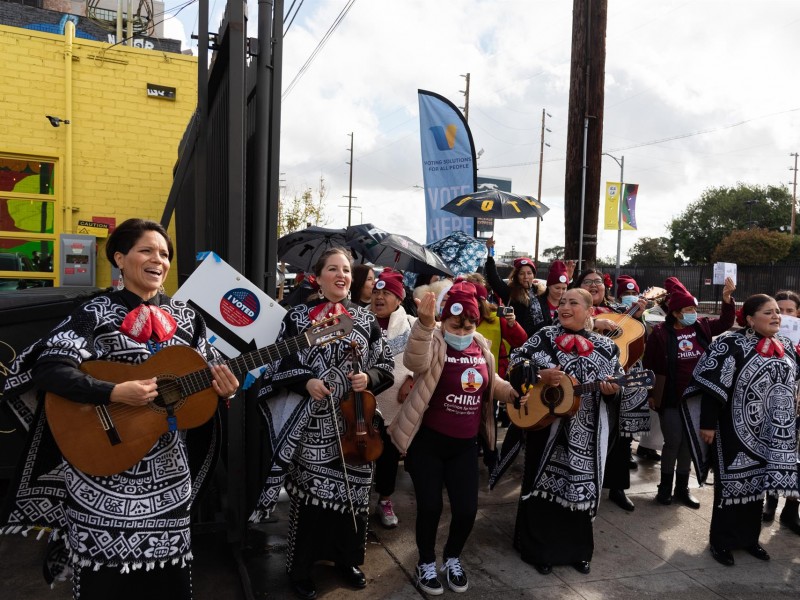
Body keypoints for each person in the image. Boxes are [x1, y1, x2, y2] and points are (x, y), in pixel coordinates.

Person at [0, 219, 240, 600]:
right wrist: (113, 392)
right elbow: (49, 367)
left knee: (168, 585)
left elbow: (205, 379)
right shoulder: (94, 312)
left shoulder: (188, 319)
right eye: (146, 250)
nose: (157, 259)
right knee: (104, 587)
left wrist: (225, 389)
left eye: (164, 253)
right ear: (120, 258)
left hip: (169, 479)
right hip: (101, 475)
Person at [250, 248, 393, 600]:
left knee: (355, 498)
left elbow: (386, 364)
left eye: (346, 269)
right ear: (318, 276)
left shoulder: (365, 320)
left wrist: (368, 377)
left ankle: (347, 561)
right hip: (313, 427)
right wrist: (305, 382)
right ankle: (301, 569)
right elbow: (277, 365)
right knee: (312, 503)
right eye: (333, 269)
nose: (342, 275)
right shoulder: (298, 317)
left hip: (357, 424)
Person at [389, 282, 517, 595]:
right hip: (428, 443)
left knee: (466, 510)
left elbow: (493, 381)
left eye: (468, 324)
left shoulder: (480, 345)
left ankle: (452, 558)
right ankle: (426, 562)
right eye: (455, 324)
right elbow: (414, 362)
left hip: (464, 446)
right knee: (430, 508)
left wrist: (511, 393)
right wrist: (424, 324)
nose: (461, 330)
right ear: (445, 320)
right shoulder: (432, 341)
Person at [508, 287, 622, 575]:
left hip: (585, 433)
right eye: (561, 302)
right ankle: (538, 550)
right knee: (541, 490)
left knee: (580, 490)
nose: (565, 306)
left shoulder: (608, 347)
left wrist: (611, 391)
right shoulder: (543, 337)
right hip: (545, 428)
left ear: (588, 310)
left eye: (573, 302)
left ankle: (578, 552)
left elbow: (617, 388)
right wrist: (538, 374)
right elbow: (515, 361)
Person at [684, 294, 799, 566]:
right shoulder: (730, 344)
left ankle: (749, 540)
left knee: (757, 488)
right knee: (732, 488)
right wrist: (708, 424)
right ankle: (721, 542)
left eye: (777, 313)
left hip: (768, 433)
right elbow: (712, 386)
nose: (776, 317)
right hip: (734, 431)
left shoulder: (785, 345)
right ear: (749, 318)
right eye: (768, 312)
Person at [642, 276, 736, 509]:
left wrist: (727, 299)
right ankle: (664, 489)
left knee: (688, 444)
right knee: (673, 441)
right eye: (687, 309)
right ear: (675, 312)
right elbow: (650, 365)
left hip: (697, 399)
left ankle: (682, 489)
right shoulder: (660, 334)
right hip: (672, 398)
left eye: (694, 308)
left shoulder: (702, 326)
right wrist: (651, 395)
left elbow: (725, 322)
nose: (692, 312)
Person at [573, 270, 648, 511]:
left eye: (598, 282)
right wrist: (594, 323)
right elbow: (559, 327)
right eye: (588, 282)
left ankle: (617, 487)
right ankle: (582, 483)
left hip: (619, 380)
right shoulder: (573, 308)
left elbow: (635, 339)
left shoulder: (618, 311)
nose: (594, 285)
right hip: (585, 385)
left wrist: (639, 318)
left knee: (622, 437)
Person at [369, 268, 416, 529]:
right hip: (363, 404)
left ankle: (385, 499)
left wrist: (411, 378)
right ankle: (360, 497)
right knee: (362, 453)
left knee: (388, 456)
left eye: (386, 293)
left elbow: (424, 358)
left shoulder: (410, 324)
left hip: (394, 403)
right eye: (376, 291)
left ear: (398, 299)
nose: (379, 297)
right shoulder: (361, 319)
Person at [762, 289, 800, 533]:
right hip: (775, 410)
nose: (784, 316)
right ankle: (770, 502)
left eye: (790, 311)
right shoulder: (765, 338)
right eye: (780, 310)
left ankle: (791, 509)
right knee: (775, 453)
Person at [483, 238, 540, 336]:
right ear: (516, 276)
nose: (526, 277)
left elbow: (559, 293)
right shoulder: (510, 292)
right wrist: (490, 254)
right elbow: (493, 279)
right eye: (522, 273)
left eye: (529, 273)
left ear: (533, 275)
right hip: (518, 340)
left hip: (539, 342)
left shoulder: (540, 292)